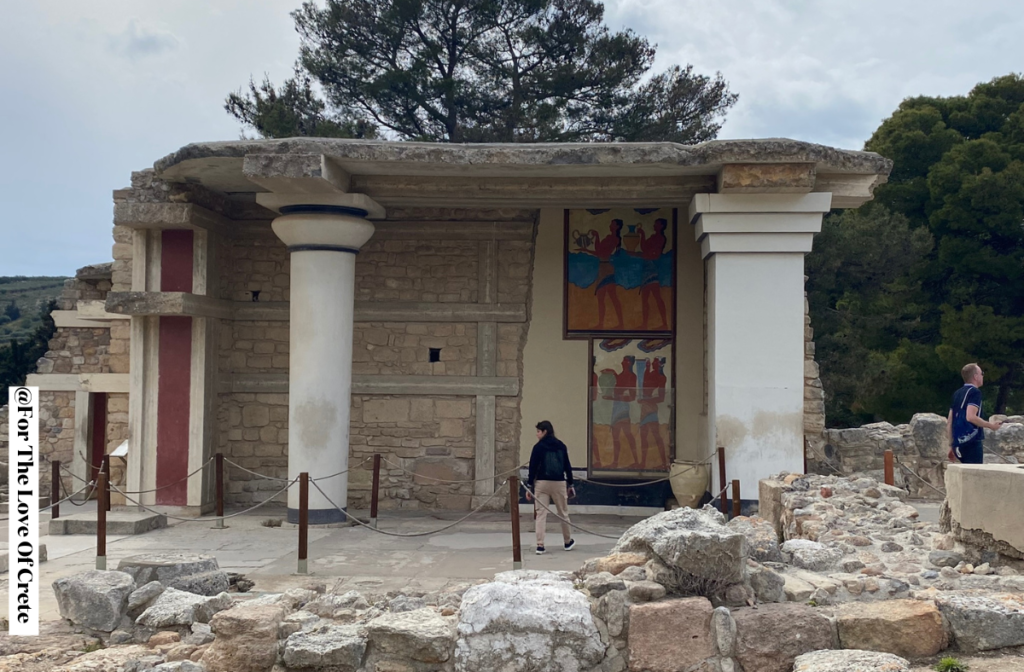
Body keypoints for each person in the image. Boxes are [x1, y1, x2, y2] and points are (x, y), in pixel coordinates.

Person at [525, 420, 576, 555]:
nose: (537, 434)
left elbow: (533, 467)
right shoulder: (561, 446)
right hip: (559, 483)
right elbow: (567, 466)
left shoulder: (538, 447)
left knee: (541, 515)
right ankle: (567, 541)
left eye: (538, 431)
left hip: (542, 483)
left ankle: (540, 545)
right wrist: (570, 483)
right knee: (563, 513)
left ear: (544, 432)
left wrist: (529, 485)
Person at [947, 363, 1002, 464]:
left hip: (958, 443)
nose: (982, 376)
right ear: (976, 376)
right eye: (982, 373)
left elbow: (950, 421)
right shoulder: (975, 392)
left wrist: (952, 445)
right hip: (971, 441)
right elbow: (971, 417)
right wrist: (991, 426)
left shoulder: (957, 393)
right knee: (975, 475)